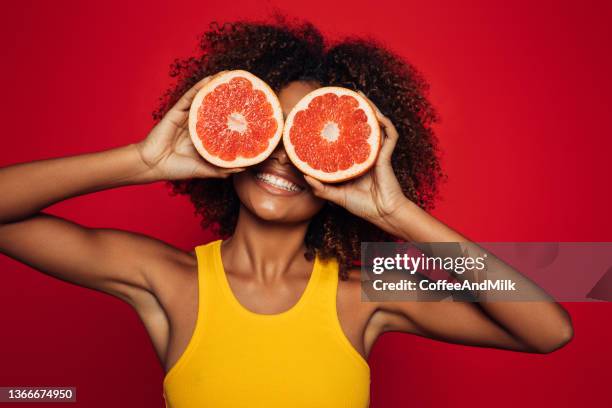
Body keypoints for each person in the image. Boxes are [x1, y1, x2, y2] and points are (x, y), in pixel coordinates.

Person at [0, 18, 572, 408]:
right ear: (232, 137)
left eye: (308, 137)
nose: (283, 155)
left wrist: (397, 214)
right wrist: (143, 161)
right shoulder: (167, 279)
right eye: (269, 127)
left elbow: (548, 329)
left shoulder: (365, 290)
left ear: (346, 160)